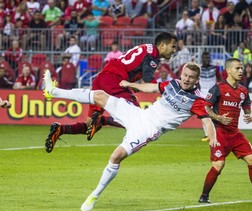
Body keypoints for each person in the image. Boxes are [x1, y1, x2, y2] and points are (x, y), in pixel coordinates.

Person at [43, 62, 219, 211]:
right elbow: (152, 87)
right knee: (99, 96)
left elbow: (206, 121)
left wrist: (212, 138)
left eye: (191, 77)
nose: (186, 79)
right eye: (185, 75)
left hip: (148, 130)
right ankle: (53, 91)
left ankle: (94, 195)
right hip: (139, 115)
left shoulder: (197, 100)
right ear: (181, 74)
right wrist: (131, 84)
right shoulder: (172, 83)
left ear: (197, 80)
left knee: (115, 156)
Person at [44, 31, 178, 153]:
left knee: (89, 125)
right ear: (162, 45)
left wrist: (134, 86)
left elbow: (136, 71)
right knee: (138, 119)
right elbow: (149, 79)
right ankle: (102, 120)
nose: (174, 50)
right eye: (173, 46)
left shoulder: (146, 48)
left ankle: (60, 129)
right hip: (115, 79)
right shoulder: (153, 55)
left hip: (104, 77)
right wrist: (167, 94)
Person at [198, 57, 252, 204]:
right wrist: (218, 118)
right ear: (228, 70)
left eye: (241, 68)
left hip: (235, 134)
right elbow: (205, 108)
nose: (241, 71)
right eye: (237, 68)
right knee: (219, 165)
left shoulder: (243, 91)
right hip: (220, 132)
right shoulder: (218, 88)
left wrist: (250, 116)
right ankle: (204, 196)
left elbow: (247, 110)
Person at [199, 51, 221, 142]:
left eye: (208, 58)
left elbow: (219, 79)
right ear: (202, 59)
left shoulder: (215, 68)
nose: (207, 59)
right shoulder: (199, 69)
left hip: (213, 93)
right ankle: (207, 134)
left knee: (214, 113)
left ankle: (216, 133)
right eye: (205, 58)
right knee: (204, 114)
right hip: (202, 93)